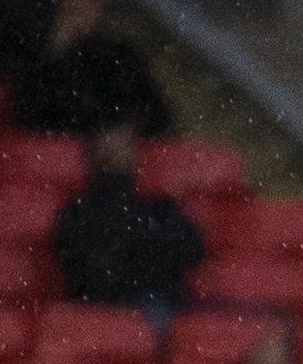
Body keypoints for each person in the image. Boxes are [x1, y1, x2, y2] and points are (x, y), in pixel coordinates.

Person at [51, 121, 209, 312]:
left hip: (150, 299)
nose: (120, 152)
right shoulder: (77, 210)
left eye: (124, 146)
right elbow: (84, 267)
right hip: (120, 304)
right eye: (113, 147)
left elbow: (193, 250)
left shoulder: (157, 205)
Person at [5, 0, 167, 136]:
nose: (82, 12)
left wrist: (121, 128)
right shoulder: (28, 51)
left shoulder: (118, 54)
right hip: (51, 149)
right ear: (56, 2)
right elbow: (29, 116)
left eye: (91, 2)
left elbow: (154, 113)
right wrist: (57, 46)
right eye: (73, 7)